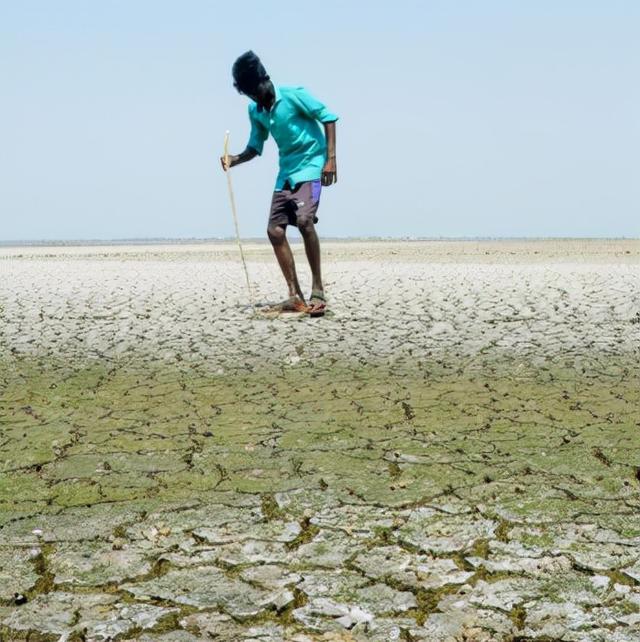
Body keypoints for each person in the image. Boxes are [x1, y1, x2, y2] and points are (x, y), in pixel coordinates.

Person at [221, 51, 338, 317]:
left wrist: (330, 160)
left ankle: (317, 291)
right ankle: (294, 296)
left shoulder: (294, 95)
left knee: (306, 222)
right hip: (285, 174)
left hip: (311, 168)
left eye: (254, 93)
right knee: (274, 231)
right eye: (249, 96)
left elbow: (329, 118)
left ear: (265, 80)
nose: (254, 99)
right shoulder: (256, 111)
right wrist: (234, 159)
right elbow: (255, 147)